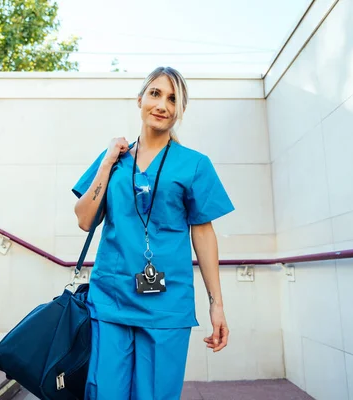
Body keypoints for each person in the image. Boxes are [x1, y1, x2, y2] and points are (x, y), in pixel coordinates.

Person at [72, 66, 235, 400]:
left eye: (173, 99)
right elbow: (85, 219)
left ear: (181, 110)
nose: (163, 105)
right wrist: (106, 163)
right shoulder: (113, 160)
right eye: (156, 94)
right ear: (140, 99)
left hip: (167, 304)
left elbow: (203, 234)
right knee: (106, 394)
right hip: (111, 298)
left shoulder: (194, 164)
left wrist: (216, 305)